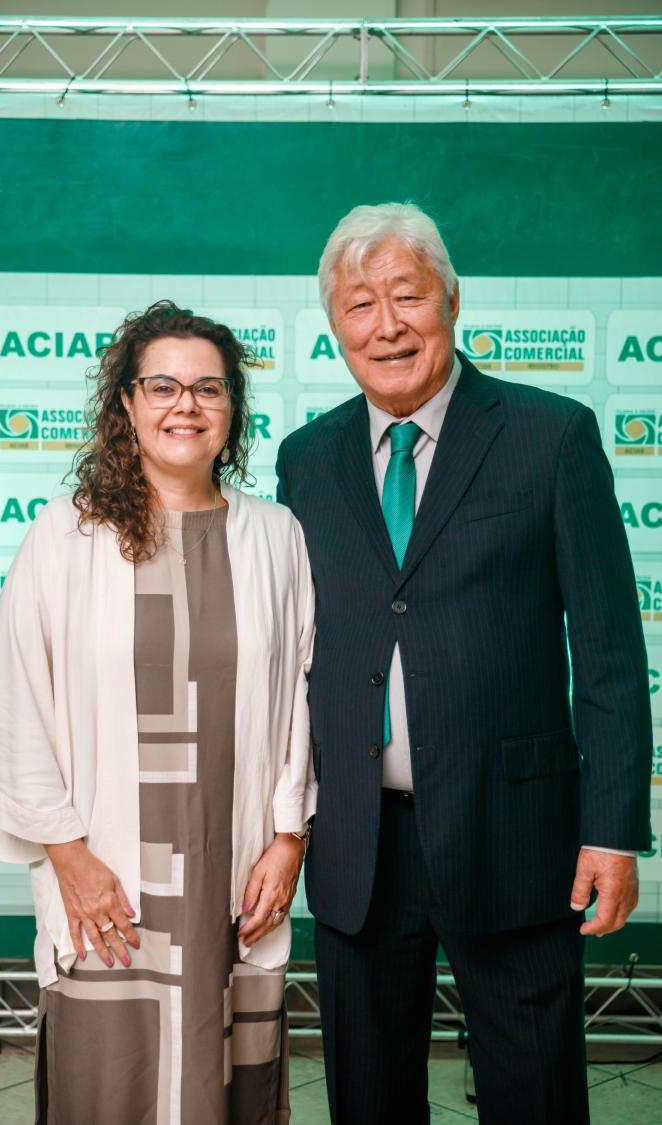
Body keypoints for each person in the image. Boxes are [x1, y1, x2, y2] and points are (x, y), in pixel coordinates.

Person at [276, 202, 652, 1124]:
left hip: (516, 835)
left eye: (407, 296)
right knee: (368, 1102)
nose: (387, 325)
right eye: (360, 305)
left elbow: (609, 652)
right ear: (335, 329)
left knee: (535, 1097)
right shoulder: (306, 460)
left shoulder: (551, 436)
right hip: (361, 843)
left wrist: (612, 832)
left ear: (451, 301)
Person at [0, 301, 315, 1125]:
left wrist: (290, 838)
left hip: (234, 880)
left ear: (232, 407)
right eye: (163, 386)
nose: (187, 405)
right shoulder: (64, 538)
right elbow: (13, 701)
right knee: (109, 1089)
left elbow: (302, 699)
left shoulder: (277, 538)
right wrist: (68, 855)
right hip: (107, 883)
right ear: (127, 405)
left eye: (209, 388)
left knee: (228, 1083)